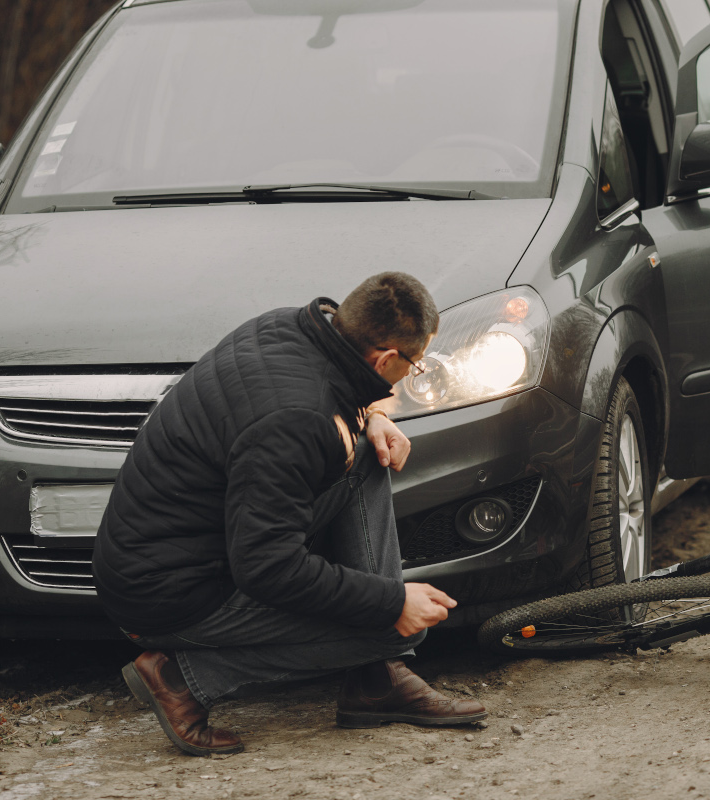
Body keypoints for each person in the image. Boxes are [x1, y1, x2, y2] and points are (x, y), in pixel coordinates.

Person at [92, 272, 487, 757]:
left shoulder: (290, 328)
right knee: (393, 625)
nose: (414, 372)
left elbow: (337, 403)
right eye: (416, 364)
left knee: (368, 456)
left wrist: (375, 417)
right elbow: (267, 567)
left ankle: (377, 681)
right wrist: (390, 603)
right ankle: (181, 678)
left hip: (178, 546)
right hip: (169, 595)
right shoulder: (297, 419)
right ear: (385, 358)